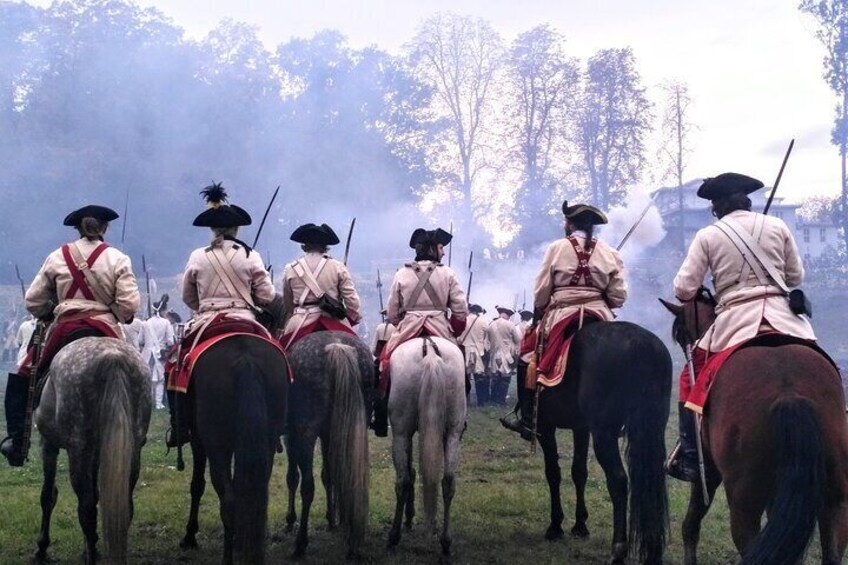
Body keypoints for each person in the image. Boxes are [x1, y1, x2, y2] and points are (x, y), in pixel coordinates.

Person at [666, 172, 815, 482]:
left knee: (687, 378)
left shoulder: (708, 235)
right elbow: (795, 277)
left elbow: (683, 289)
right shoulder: (777, 225)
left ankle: (691, 456)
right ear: (746, 200)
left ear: (717, 206)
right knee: (817, 362)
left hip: (736, 320)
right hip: (785, 316)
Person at [2, 204, 140, 466]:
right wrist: (115, 310)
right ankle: (137, 430)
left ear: (78, 229)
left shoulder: (56, 256)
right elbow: (128, 307)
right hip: (105, 326)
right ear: (104, 228)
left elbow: (33, 301)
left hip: (65, 327)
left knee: (23, 373)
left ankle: (17, 442)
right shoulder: (118, 257)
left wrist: (51, 310)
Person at [501, 201, 627, 440]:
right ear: (592, 227)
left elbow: (541, 293)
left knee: (528, 353)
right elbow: (618, 296)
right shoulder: (610, 252)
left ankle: (528, 419)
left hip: (562, 313)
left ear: (569, 223)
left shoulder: (557, 248)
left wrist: (548, 302)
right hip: (600, 314)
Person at [173, 183, 276, 446]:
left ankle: (180, 425)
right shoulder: (250, 255)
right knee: (278, 357)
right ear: (236, 229)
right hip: (246, 317)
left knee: (178, 364)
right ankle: (277, 424)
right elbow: (266, 296)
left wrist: (203, 306)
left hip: (206, 318)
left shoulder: (197, 256)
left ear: (213, 229)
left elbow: (188, 296)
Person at [372, 228, 468, 436]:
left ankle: (379, 415)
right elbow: (460, 311)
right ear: (433, 250)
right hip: (441, 329)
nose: (443, 253)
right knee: (461, 365)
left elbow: (392, 313)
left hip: (408, 329)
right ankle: (460, 418)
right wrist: (455, 328)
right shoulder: (448, 273)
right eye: (441, 248)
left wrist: (403, 322)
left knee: (383, 365)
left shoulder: (401, 274)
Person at [279, 223, 361, 348]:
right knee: (359, 354)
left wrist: (297, 313)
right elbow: (352, 302)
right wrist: (352, 317)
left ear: (304, 245)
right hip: (333, 319)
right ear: (325, 246)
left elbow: (288, 303)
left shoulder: (290, 268)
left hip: (300, 320)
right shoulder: (338, 267)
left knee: (282, 354)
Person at [487, 306, 520, 406]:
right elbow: (517, 340)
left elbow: (488, 340)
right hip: (506, 356)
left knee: (495, 378)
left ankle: (493, 398)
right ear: (508, 315)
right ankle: (500, 400)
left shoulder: (491, 324)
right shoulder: (510, 325)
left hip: (494, 355)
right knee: (505, 380)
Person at [146, 295, 175, 409]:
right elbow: (170, 340)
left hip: (148, 354)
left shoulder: (146, 322)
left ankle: (150, 402)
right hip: (160, 353)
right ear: (162, 310)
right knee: (160, 379)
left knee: (150, 378)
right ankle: (158, 403)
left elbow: (141, 340)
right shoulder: (166, 323)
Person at [459, 304, 489, 405]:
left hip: (464, 351)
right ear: (478, 312)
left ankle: (464, 400)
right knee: (479, 377)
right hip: (478, 351)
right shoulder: (483, 322)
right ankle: (481, 401)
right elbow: (486, 337)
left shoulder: (463, 320)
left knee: (464, 377)